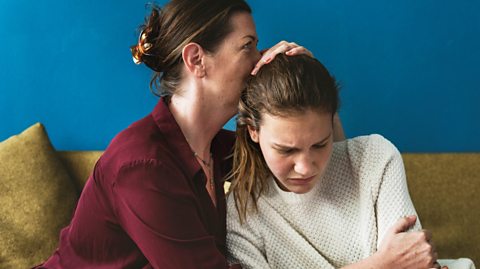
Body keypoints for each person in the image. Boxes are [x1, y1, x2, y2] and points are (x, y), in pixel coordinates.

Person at [33, 0, 313, 268]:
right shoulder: (143, 167)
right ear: (196, 60)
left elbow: (321, 162)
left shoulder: (215, 147)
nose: (260, 60)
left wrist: (308, 83)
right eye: (248, 46)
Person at [226, 54, 454, 269]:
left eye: (320, 144)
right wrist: (380, 264)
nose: (305, 168)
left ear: (332, 121)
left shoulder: (373, 158)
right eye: (286, 150)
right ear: (254, 131)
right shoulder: (240, 211)